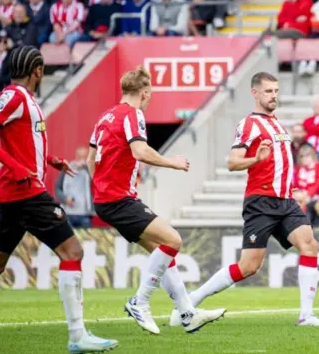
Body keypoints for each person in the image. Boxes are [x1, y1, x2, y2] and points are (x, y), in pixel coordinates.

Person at [0, 46, 117, 352]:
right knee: (72, 251)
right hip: (26, 192)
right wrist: (17, 167)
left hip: (17, 191)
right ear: (38, 71)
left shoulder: (22, 99)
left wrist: (49, 160)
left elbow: (21, 143)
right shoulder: (16, 96)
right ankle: (77, 336)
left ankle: (78, 336)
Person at [179, 72, 319, 327]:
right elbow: (232, 162)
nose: (274, 96)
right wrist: (256, 160)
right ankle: (193, 298)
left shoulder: (277, 123)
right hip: (261, 201)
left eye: (276, 91)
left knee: (309, 245)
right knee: (249, 266)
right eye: (269, 91)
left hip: (285, 200)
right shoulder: (249, 124)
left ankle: (306, 315)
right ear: (255, 93)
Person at [87, 67, 225, 334]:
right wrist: (171, 162)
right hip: (119, 199)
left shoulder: (105, 116)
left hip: (105, 199)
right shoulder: (133, 114)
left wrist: (101, 187)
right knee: (173, 240)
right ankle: (139, 301)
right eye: (150, 95)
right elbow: (140, 151)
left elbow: (90, 160)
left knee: (162, 252)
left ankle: (187, 313)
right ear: (145, 93)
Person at [55, 147, 92, 228]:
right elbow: (57, 189)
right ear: (76, 157)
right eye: (80, 157)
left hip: (85, 213)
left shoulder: (90, 171)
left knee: (86, 239)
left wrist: (86, 166)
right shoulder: (67, 168)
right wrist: (65, 198)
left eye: (84, 157)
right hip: (68, 213)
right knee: (69, 238)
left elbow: (96, 179)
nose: (82, 160)